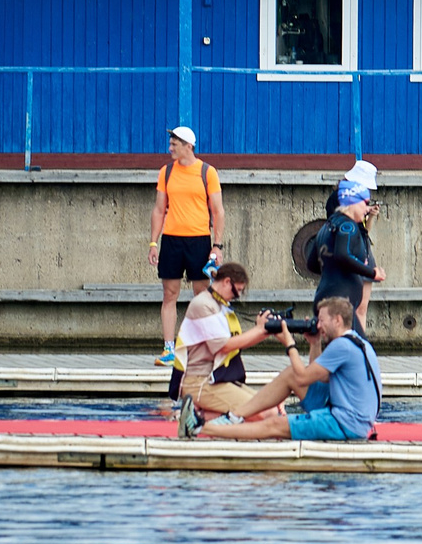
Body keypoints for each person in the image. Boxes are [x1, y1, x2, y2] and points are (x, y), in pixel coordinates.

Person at [198, 296, 381, 443]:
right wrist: (314, 343)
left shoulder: (342, 346)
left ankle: (202, 427)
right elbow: (315, 377)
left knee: (274, 424)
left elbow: (303, 378)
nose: (318, 325)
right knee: (291, 374)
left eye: (322, 320)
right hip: (352, 417)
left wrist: (289, 343)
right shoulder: (356, 342)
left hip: (345, 424)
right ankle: (235, 416)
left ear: (338, 320)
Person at [146, 127, 225, 366]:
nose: (170, 148)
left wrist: (217, 245)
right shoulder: (166, 172)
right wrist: (153, 242)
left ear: (188, 146)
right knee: (169, 294)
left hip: (199, 240)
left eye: (175, 144)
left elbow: (217, 211)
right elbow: (159, 209)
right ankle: (169, 349)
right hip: (171, 240)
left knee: (202, 296)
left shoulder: (207, 172)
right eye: (170, 144)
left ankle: (201, 349)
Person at [166, 259, 268, 421]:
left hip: (215, 379)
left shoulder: (220, 305)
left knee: (269, 409)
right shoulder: (203, 304)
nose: (237, 296)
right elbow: (224, 346)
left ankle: (195, 416)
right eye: (238, 290)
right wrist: (259, 330)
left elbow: (236, 343)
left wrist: (264, 332)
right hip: (199, 382)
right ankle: (196, 416)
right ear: (227, 282)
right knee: (262, 414)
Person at [309, 183, 383, 332]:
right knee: (360, 348)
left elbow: (311, 264)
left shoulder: (327, 226)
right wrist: (372, 273)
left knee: (337, 350)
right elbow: (343, 255)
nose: (367, 209)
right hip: (340, 303)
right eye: (365, 203)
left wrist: (332, 271)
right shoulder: (348, 226)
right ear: (353, 202)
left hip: (324, 296)